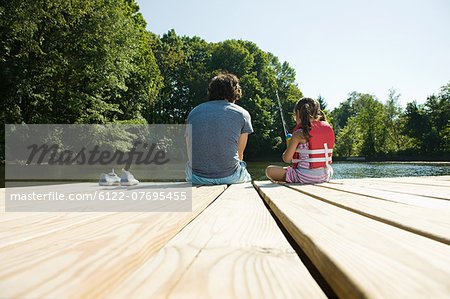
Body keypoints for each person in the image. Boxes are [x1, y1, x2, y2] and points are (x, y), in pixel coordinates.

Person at [185, 73, 253, 185]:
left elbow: (189, 151)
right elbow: (240, 155)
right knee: (245, 174)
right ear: (235, 92)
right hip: (230, 176)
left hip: (196, 177)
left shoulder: (194, 112)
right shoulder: (242, 114)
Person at [265, 97, 335, 183]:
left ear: (298, 113)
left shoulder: (298, 134)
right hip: (325, 176)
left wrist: (290, 144)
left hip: (304, 177)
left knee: (269, 170)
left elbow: (286, 159)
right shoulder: (326, 131)